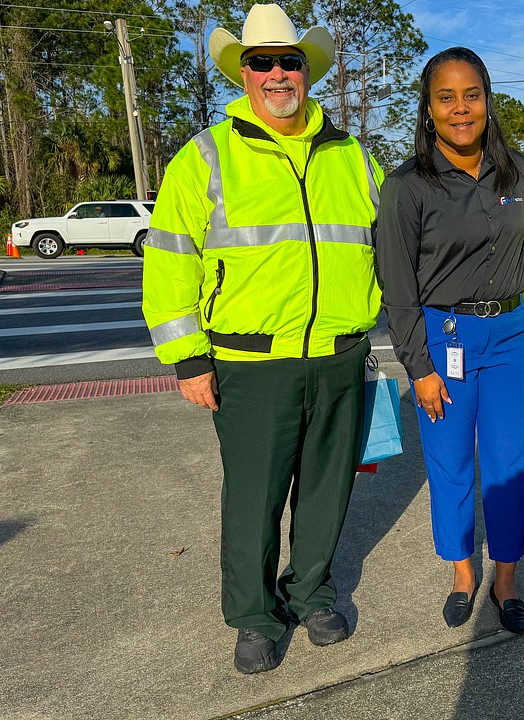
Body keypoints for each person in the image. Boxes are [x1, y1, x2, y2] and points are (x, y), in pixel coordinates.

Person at [141, 3, 383, 674]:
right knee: (253, 501)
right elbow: (168, 260)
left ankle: (311, 593)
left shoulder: (354, 156)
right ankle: (253, 615)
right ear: (242, 73)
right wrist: (188, 357)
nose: (277, 74)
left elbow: (393, 241)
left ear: (308, 71)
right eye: (262, 62)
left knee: (328, 492)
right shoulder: (206, 157)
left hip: (340, 357)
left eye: (289, 61)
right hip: (251, 365)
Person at [375, 47, 524, 635]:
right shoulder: (408, 187)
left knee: (507, 463)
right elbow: (397, 287)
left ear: (488, 101)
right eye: (446, 97)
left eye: (471, 94)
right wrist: (417, 366)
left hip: (514, 335)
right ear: (429, 109)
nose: (461, 108)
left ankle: (506, 579)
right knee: (450, 463)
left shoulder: (517, 170)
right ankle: (463, 573)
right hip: (444, 338)